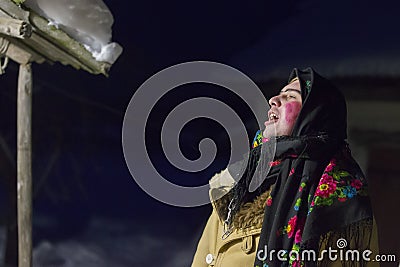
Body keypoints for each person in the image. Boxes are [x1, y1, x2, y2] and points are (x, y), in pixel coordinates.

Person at [191, 67, 379, 267]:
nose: (273, 100)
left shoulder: (337, 202)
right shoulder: (236, 187)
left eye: (290, 96)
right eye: (278, 94)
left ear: (312, 116)